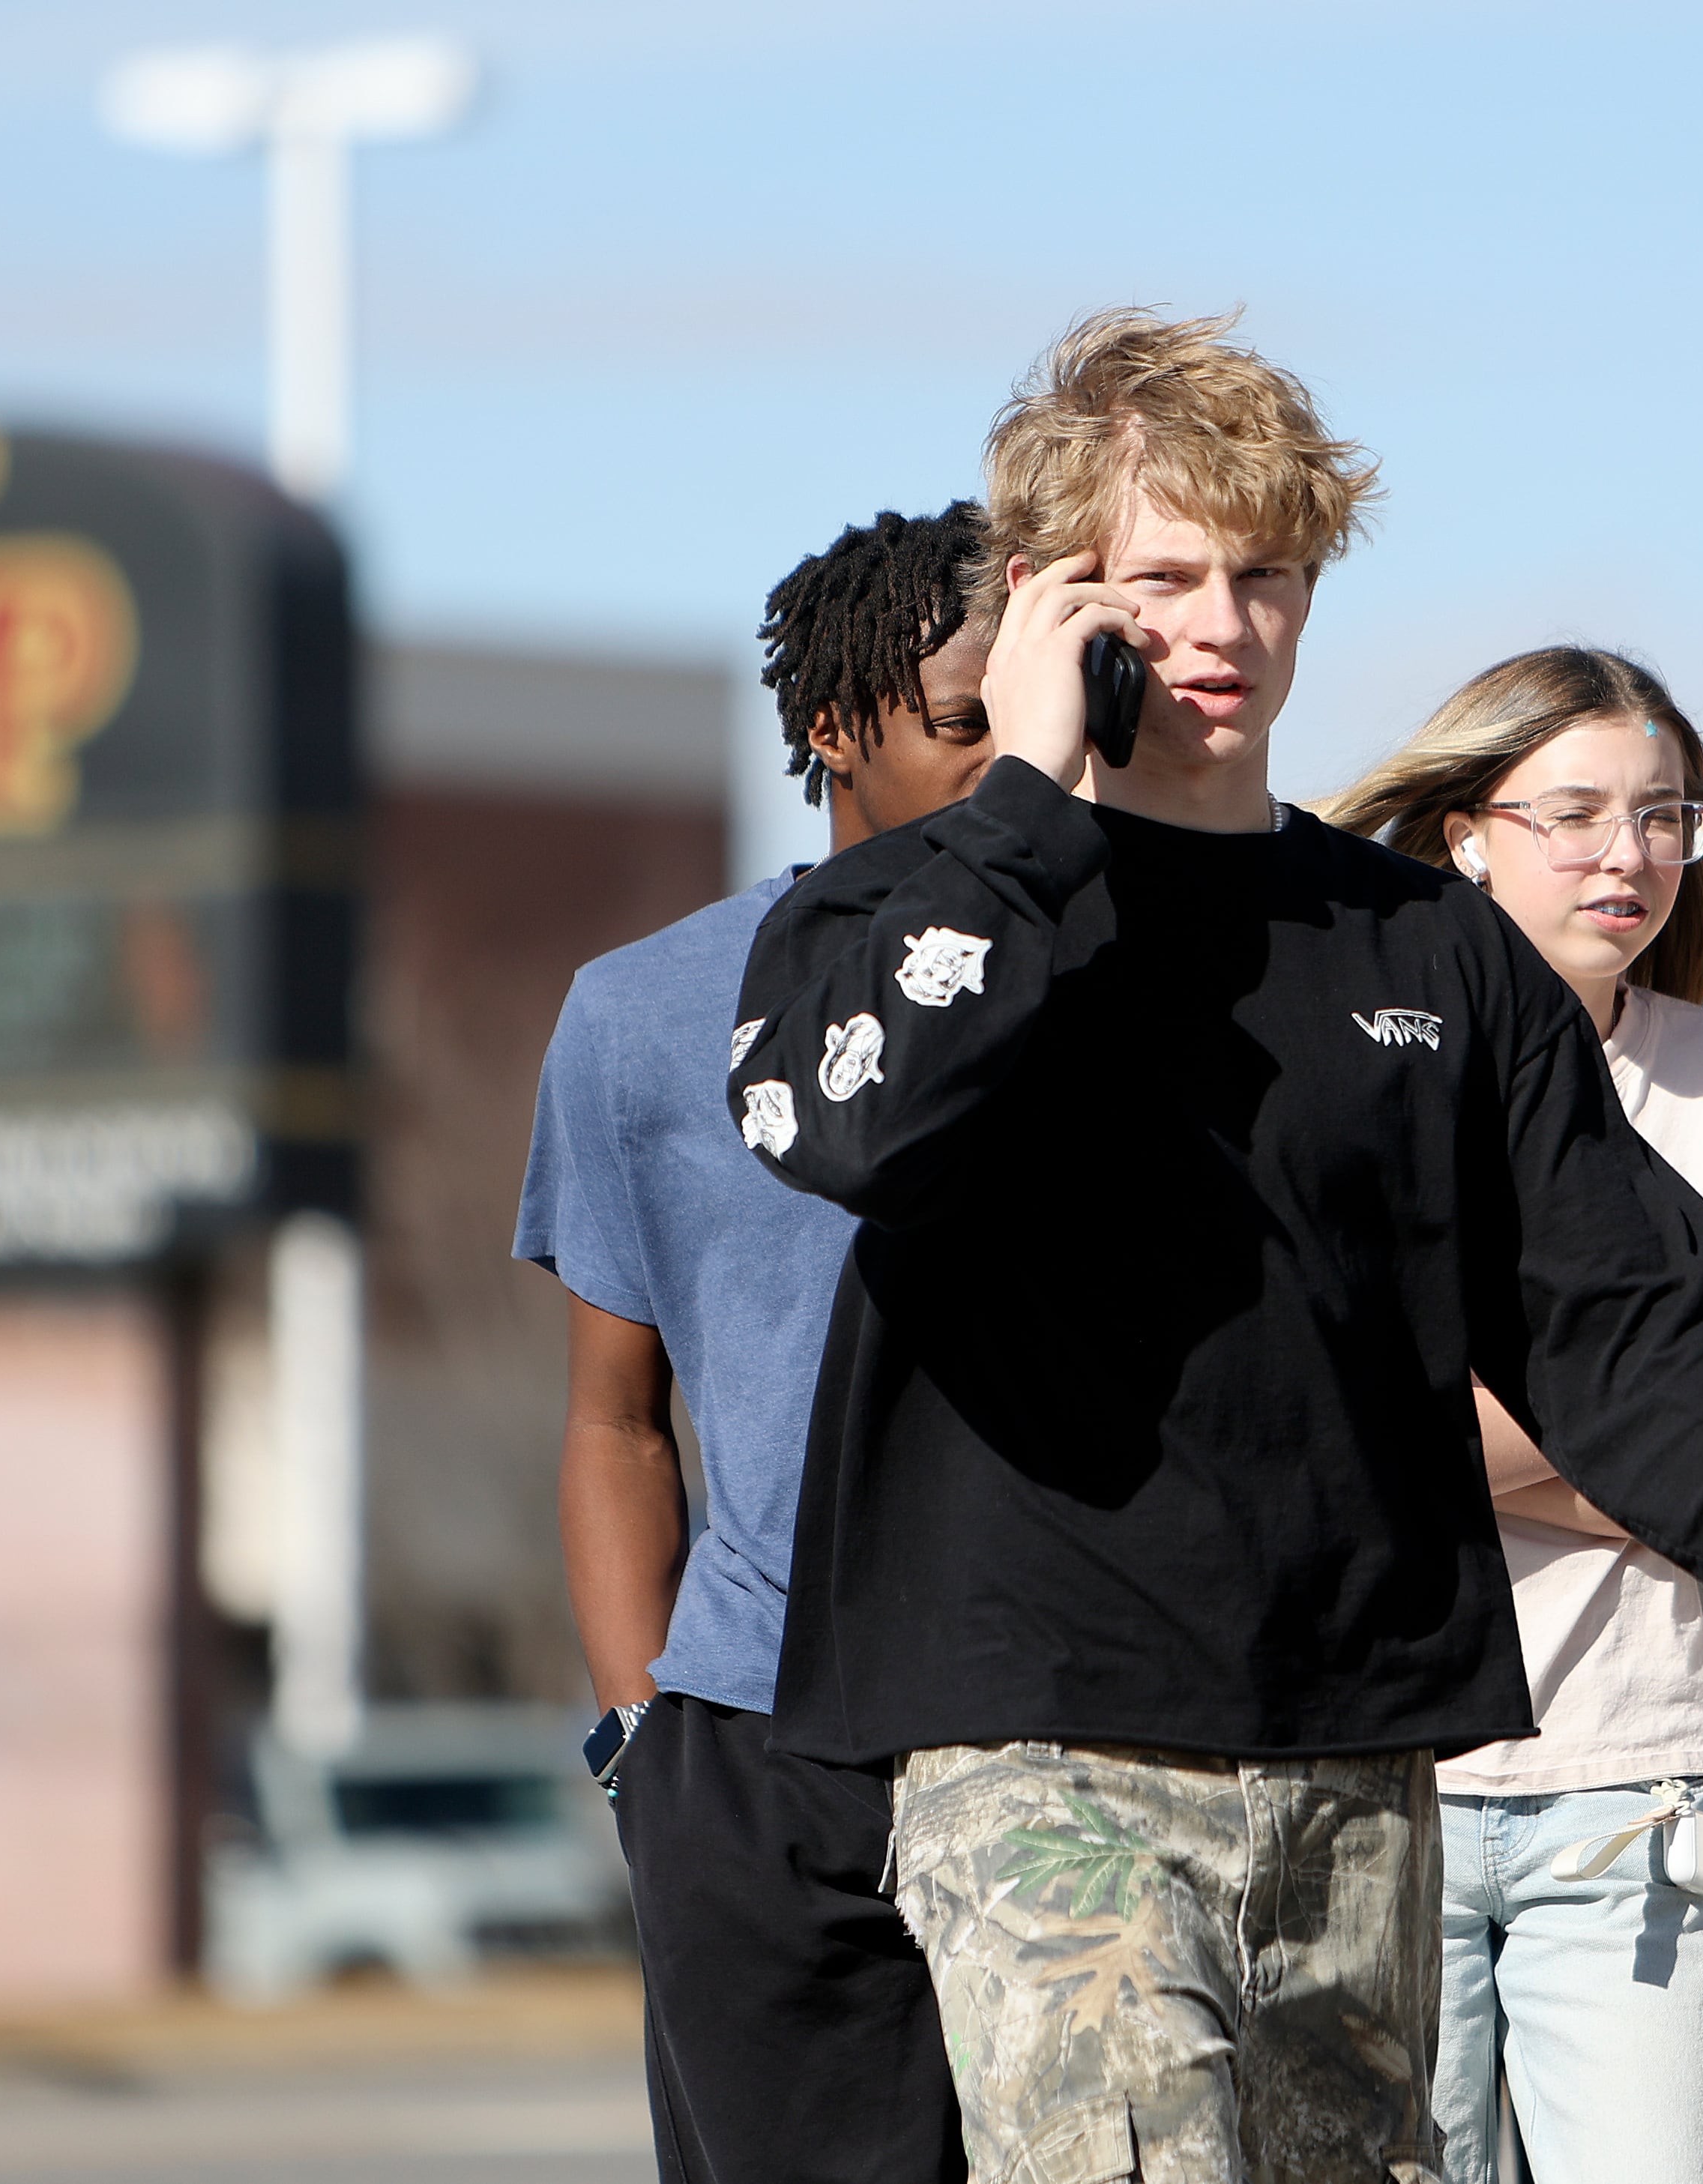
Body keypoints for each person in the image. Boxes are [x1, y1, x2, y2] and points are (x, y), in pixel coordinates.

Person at [722, 310, 1703, 2183]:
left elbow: (1615, 1281)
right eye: (1163, 578)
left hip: (1359, 1746)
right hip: (1038, 1737)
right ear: (1048, 598)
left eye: (1263, 576)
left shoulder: (1423, 948)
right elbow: (843, 1118)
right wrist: (1033, 806)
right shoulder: (911, 902)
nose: (1220, 625)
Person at [518, 503, 990, 2184]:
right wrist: (648, 1754)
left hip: (1067, 1738)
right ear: (833, 725)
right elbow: (612, 1423)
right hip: (756, 1757)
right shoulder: (645, 1011)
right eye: (961, 717)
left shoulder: (1141, 988)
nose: (1008, 760)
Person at [1324, 646, 1703, 2184]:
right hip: (1380, 1769)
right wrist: (1622, 1426)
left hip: (1634, 1777)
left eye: (1669, 812)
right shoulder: (1356, 1052)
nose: (1633, 852)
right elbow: (1305, 1408)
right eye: (1581, 811)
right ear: (1466, 828)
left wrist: (1422, 1446)